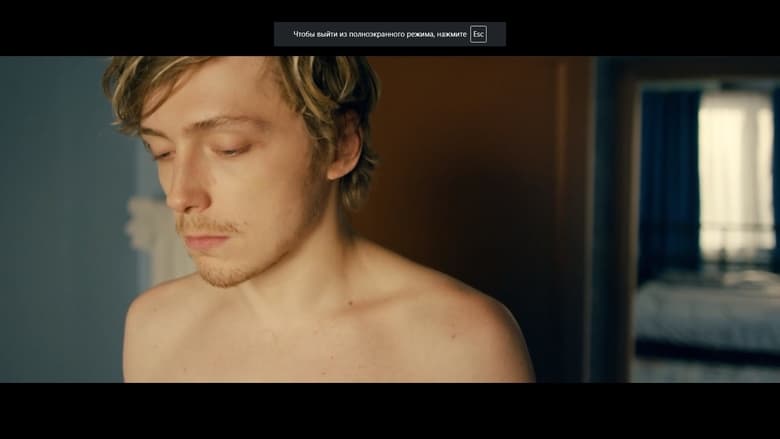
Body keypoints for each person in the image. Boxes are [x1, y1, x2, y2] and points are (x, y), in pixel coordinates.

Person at [103, 56, 535, 382]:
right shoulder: (153, 327)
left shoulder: (462, 344)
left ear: (340, 144)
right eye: (162, 152)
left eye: (229, 147)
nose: (179, 195)